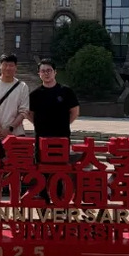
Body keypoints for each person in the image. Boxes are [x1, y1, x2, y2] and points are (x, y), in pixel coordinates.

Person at [29, 58, 80, 203]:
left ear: (55, 72)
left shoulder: (66, 91)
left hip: (61, 137)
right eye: (43, 71)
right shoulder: (35, 94)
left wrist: (63, 124)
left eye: (49, 70)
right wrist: (40, 125)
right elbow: (30, 114)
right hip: (42, 138)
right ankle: (43, 198)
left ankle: (58, 198)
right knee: (42, 168)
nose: (46, 73)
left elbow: (75, 111)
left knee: (59, 169)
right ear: (39, 74)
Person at [0, 53, 30, 139]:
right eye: (5, 65)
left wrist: (10, 129)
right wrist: (0, 130)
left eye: (11, 65)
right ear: (0, 66)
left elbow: (24, 111)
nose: (8, 68)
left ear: (16, 67)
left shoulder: (22, 86)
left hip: (16, 133)